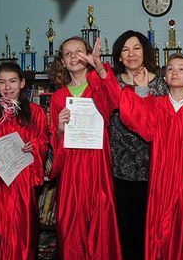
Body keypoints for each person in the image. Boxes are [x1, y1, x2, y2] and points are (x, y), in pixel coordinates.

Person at [102, 53, 183, 260]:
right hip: (159, 184)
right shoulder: (157, 106)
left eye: (181, 69)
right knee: (157, 237)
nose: (174, 72)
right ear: (164, 77)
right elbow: (139, 121)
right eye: (170, 69)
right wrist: (142, 90)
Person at [48, 36, 122, 260]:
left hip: (97, 163)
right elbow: (54, 138)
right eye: (67, 53)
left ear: (88, 55)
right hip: (72, 167)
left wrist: (99, 68)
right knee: (71, 225)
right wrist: (60, 128)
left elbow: (117, 101)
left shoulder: (99, 84)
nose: (73, 56)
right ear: (62, 61)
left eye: (78, 51)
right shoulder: (59, 97)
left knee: (101, 222)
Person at [0, 62, 49, 260]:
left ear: (22, 83)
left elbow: (43, 141)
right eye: (2, 82)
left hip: (21, 180)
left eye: (13, 81)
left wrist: (34, 146)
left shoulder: (35, 112)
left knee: (19, 232)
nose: (8, 87)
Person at [109, 30, 168, 260]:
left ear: (145, 52)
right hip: (120, 169)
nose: (131, 54)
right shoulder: (113, 85)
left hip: (152, 169)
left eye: (136, 48)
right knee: (124, 230)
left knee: (148, 231)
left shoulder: (161, 85)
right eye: (125, 49)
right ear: (119, 57)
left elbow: (159, 124)